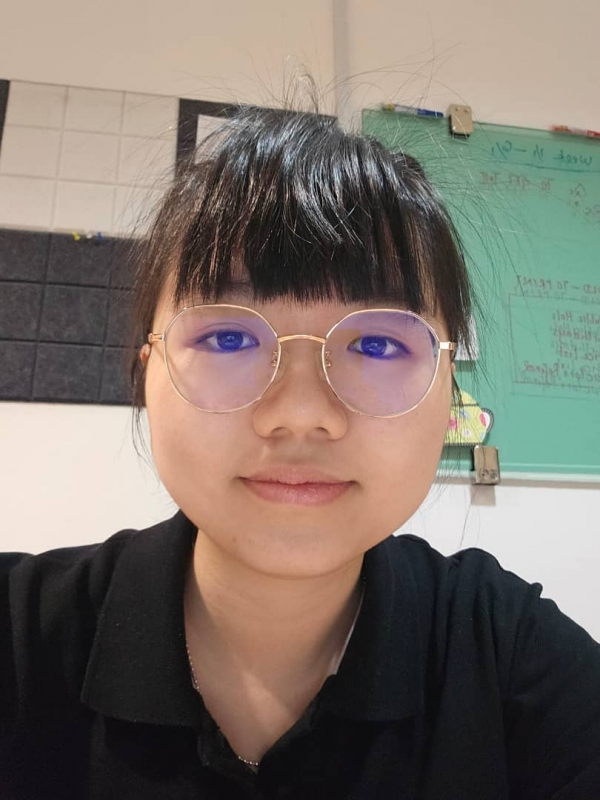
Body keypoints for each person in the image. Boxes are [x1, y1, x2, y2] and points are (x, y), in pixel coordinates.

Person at [1, 106, 599, 800]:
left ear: (448, 402)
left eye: (377, 344)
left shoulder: (510, 657)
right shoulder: (19, 640)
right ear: (146, 378)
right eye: (228, 339)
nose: (301, 414)